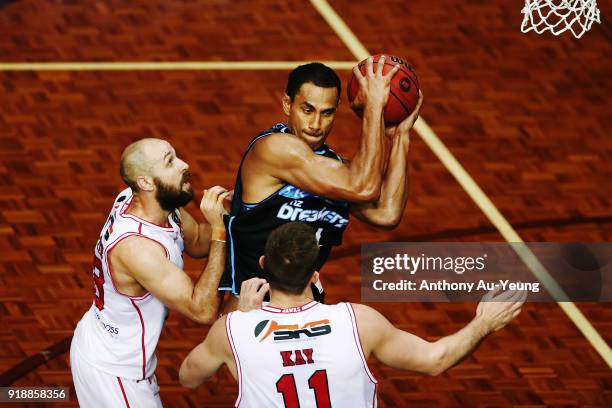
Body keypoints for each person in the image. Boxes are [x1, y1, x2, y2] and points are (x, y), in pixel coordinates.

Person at [179, 222, 526, 406]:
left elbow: (188, 378)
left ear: (264, 266)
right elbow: (436, 359)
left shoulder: (233, 330)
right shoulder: (359, 322)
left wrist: (244, 318)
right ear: (315, 275)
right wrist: (484, 323)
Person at [70, 138, 267, 407]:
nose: (184, 165)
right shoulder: (137, 249)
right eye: (170, 162)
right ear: (146, 182)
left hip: (114, 352)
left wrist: (231, 215)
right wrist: (221, 231)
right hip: (115, 371)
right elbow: (203, 309)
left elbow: (197, 240)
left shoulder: (152, 203)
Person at [219, 57, 424, 307]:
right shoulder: (274, 148)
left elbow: (386, 214)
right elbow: (363, 187)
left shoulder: (336, 169)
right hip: (253, 310)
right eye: (307, 110)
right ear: (287, 104)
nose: (316, 125)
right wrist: (374, 109)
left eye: (327, 113)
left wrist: (401, 136)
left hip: (306, 312)